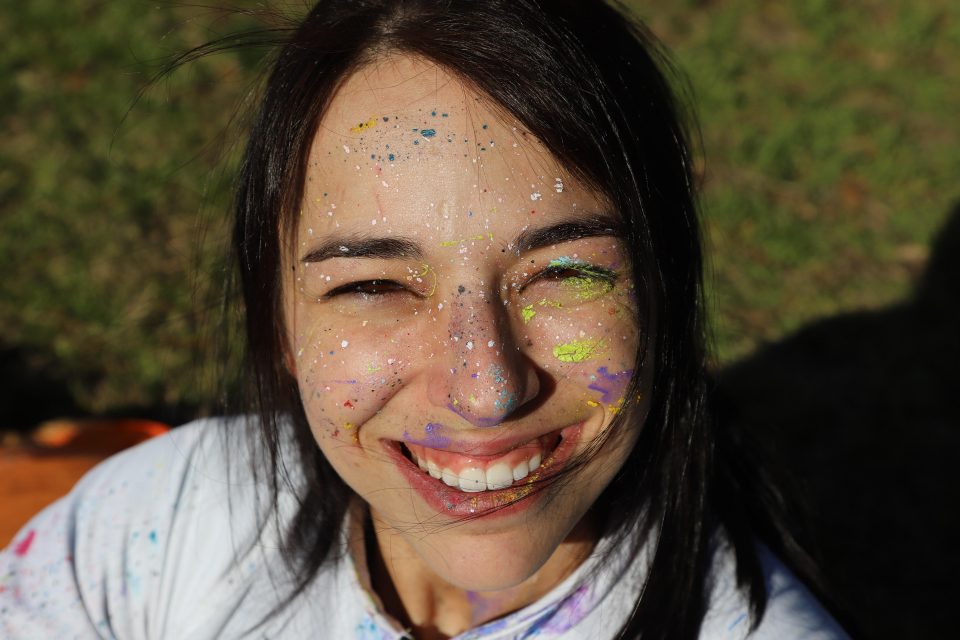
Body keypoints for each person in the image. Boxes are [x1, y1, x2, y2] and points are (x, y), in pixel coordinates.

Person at [0, 1, 851, 638]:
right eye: (375, 286)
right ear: (280, 322)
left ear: (662, 296)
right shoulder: (148, 526)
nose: (486, 391)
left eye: (561, 272)